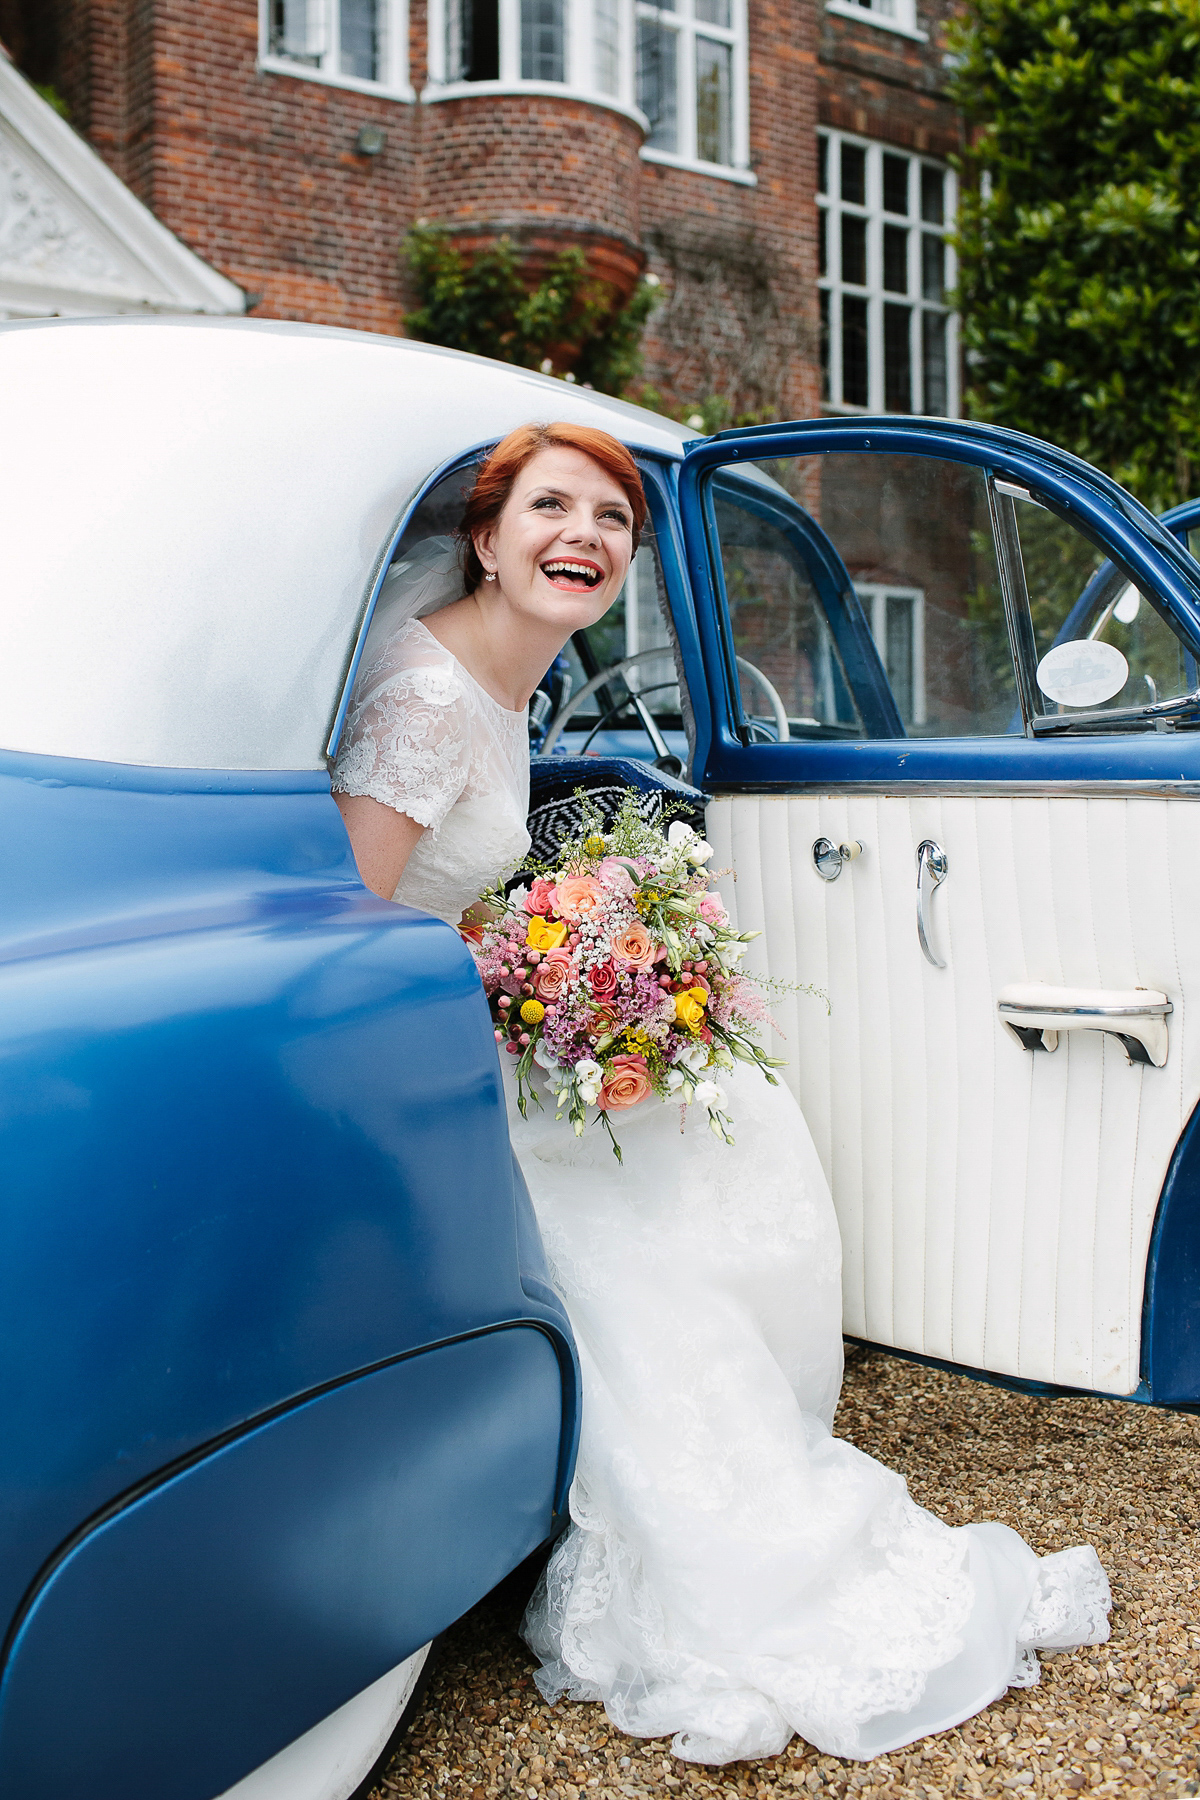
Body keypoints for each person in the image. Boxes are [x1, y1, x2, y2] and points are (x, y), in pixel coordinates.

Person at [332, 422, 1111, 1767]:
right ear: (487, 534)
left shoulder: (509, 682)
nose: (583, 534)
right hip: (403, 1053)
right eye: (550, 507)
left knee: (724, 1117)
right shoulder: (422, 689)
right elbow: (351, 922)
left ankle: (756, 1468)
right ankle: (725, 1530)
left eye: (611, 519)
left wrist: (586, 946)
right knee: (655, 1197)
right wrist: (533, 982)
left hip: (472, 1013)